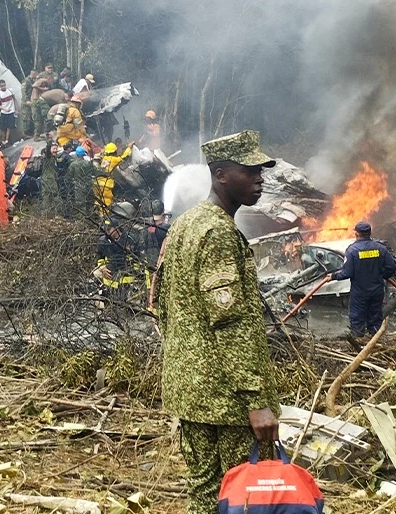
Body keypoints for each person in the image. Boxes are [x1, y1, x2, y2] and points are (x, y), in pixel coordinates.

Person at [156, 130, 280, 514]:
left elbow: (161, 302)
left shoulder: (186, 224)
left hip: (191, 394)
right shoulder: (219, 233)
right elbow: (232, 325)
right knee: (242, 498)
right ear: (222, 175)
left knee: (205, 494)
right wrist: (257, 402)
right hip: (228, 404)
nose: (260, 179)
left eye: (261, 171)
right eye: (250, 171)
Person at [328, 221, 396, 336]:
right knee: (375, 318)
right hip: (377, 291)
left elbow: (347, 272)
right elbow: (391, 267)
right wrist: (381, 275)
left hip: (360, 292)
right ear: (369, 233)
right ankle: (375, 343)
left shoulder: (352, 250)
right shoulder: (380, 249)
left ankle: (358, 343)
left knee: (357, 319)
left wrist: (333, 276)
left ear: (356, 234)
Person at [0, 80, 19, 146]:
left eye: (4, 85)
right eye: (1, 86)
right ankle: (3, 141)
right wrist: (4, 109)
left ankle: (6, 140)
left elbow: (15, 100)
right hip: (4, 113)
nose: (3, 87)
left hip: (11, 112)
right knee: (3, 128)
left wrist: (16, 109)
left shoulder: (10, 91)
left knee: (9, 127)